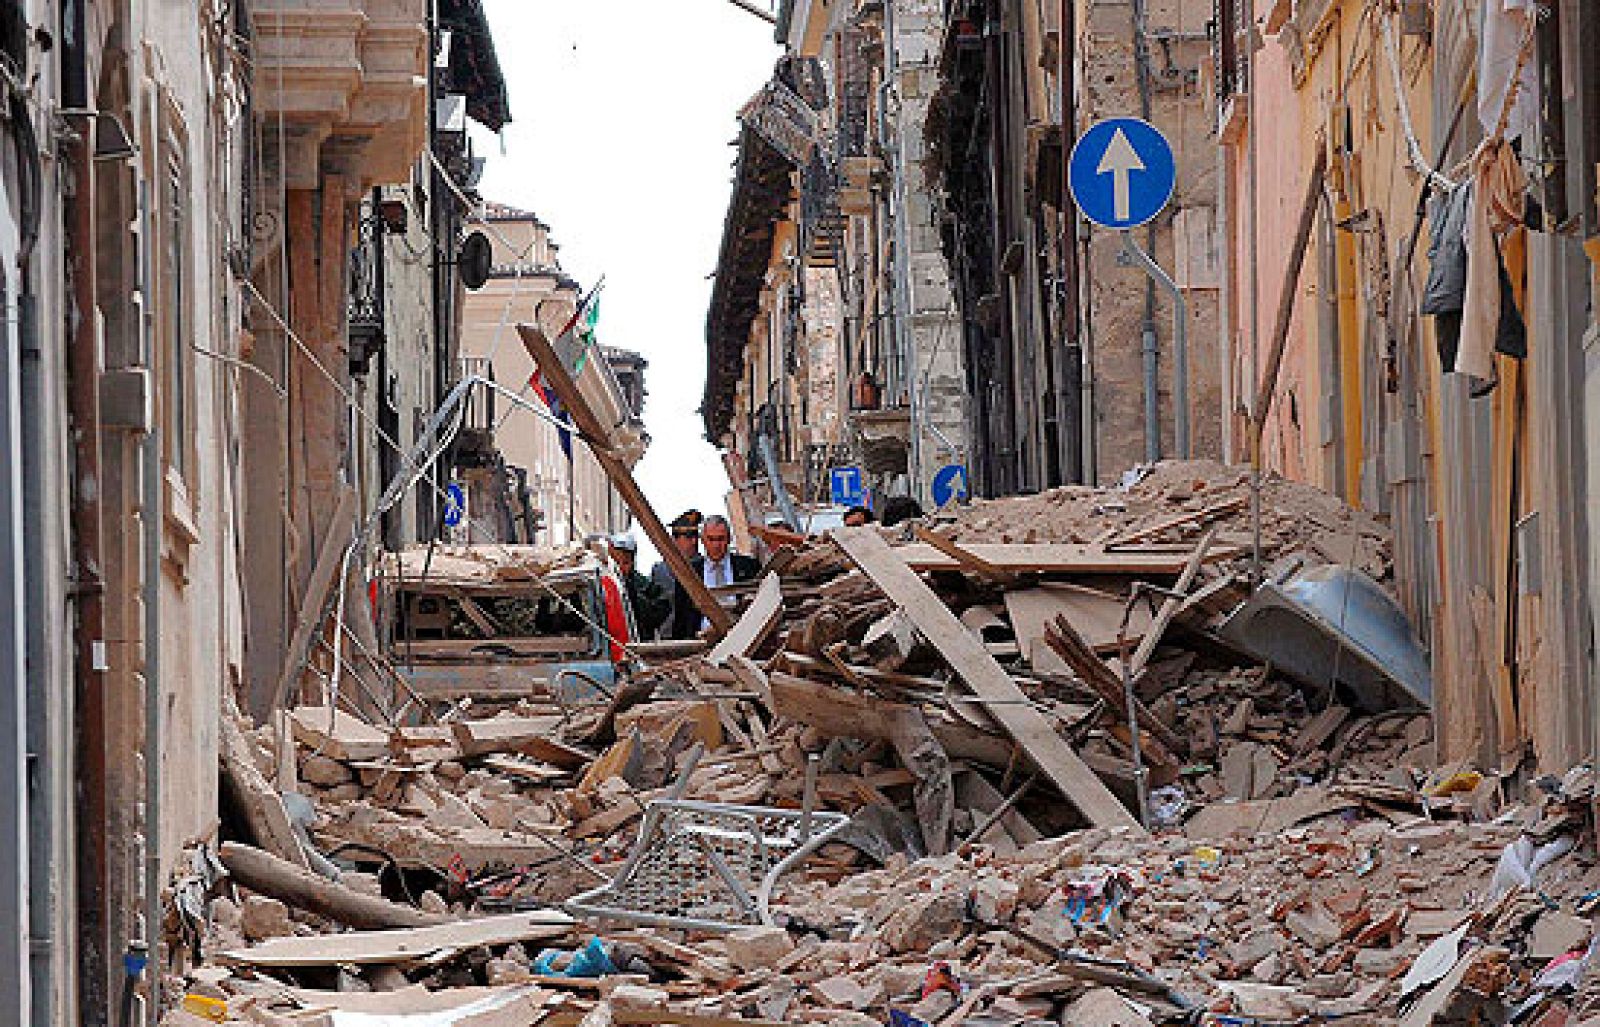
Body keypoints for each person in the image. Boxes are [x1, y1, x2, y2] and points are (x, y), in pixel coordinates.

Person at [671, 514, 759, 639]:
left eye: (720, 539)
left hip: (742, 639)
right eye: (711, 539)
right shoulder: (689, 573)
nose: (716, 545)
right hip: (701, 643)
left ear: (729, 539)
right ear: (702, 540)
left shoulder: (749, 567)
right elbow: (681, 619)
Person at [608, 533, 669, 640]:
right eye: (616, 562)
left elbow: (657, 613)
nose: (620, 568)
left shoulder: (646, 586)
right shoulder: (600, 584)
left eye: (625, 563)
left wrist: (631, 592)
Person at [651, 509, 701, 639]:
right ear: (675, 539)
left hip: (696, 635)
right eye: (689, 537)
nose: (694, 542)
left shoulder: (704, 568)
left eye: (696, 536)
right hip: (667, 637)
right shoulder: (659, 570)